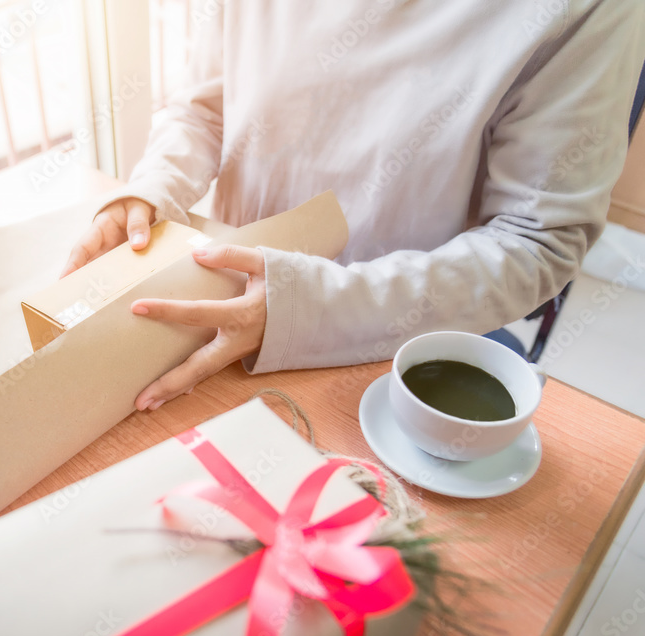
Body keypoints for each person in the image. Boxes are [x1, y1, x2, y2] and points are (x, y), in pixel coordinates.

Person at [61, 0, 645, 412]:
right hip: (222, 302)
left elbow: (537, 240)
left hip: (382, 343)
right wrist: (152, 188)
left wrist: (307, 310)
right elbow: (205, 110)